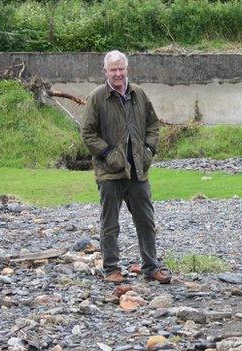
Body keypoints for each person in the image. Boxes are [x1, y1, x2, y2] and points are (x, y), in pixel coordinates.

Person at [81, 50, 171, 284]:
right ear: (105, 72)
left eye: (121, 69)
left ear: (127, 70)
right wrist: (109, 155)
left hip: (138, 171)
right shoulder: (97, 97)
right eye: (113, 70)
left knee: (146, 221)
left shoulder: (139, 94)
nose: (118, 73)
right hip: (109, 173)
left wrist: (149, 151)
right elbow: (88, 134)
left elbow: (153, 125)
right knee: (110, 224)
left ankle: (151, 268)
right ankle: (111, 269)